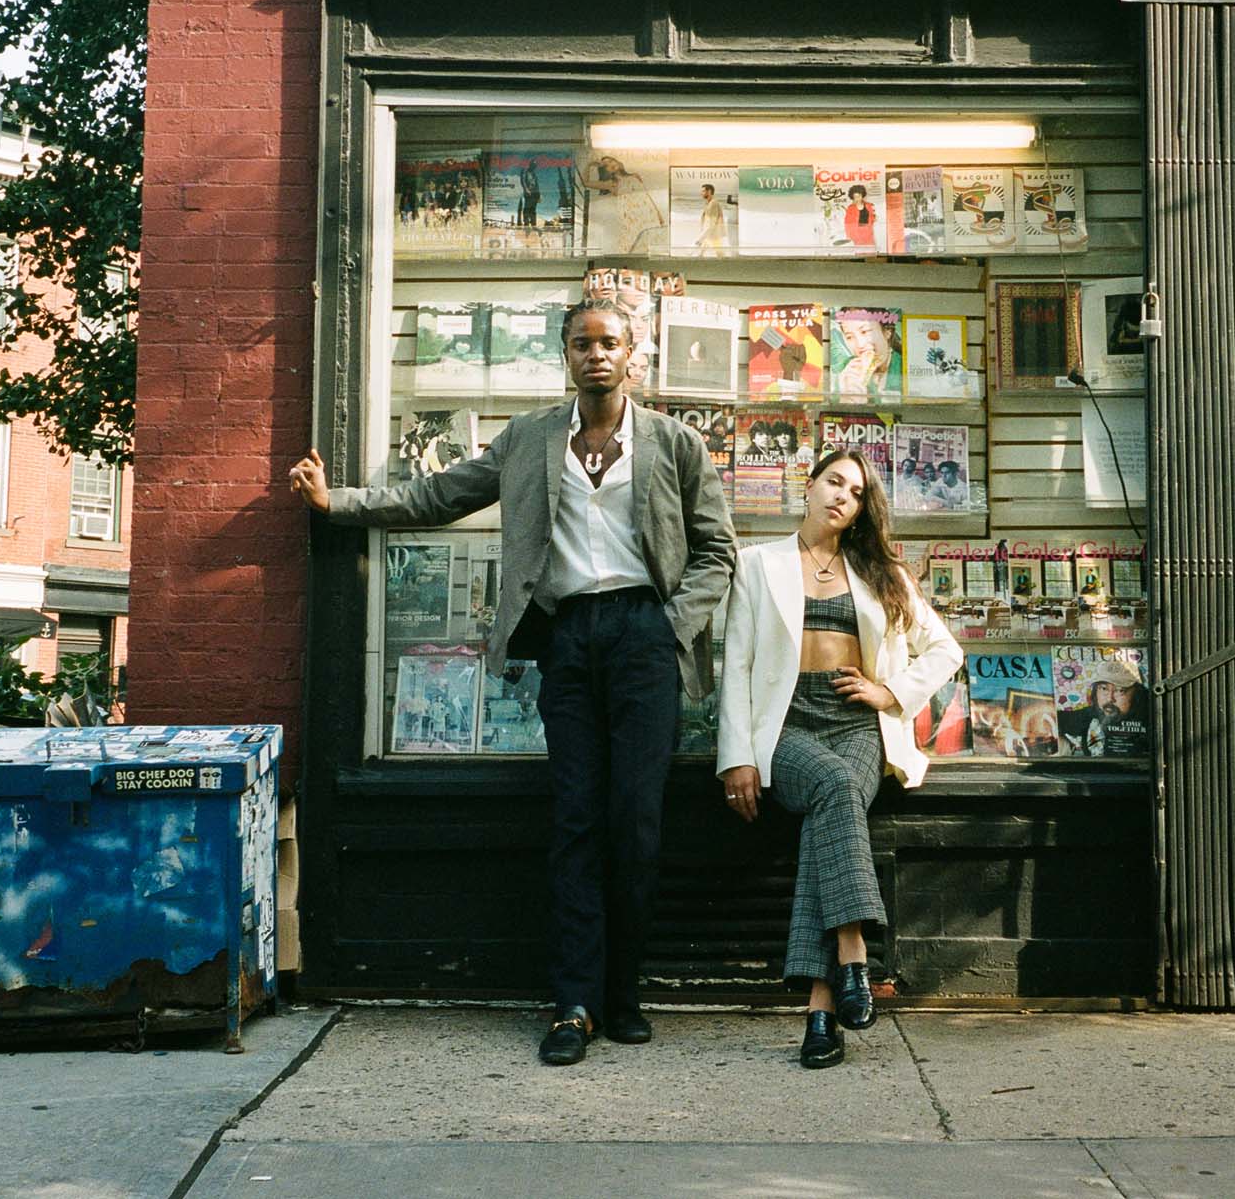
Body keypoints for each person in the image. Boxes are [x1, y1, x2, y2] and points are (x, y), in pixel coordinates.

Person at [289, 300, 736, 1066]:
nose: (596, 355)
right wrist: (340, 506)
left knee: (636, 822)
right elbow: (439, 495)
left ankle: (623, 992)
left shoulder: (674, 442)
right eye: (581, 344)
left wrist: (668, 628)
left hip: (643, 636)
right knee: (574, 822)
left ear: (635, 354)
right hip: (567, 638)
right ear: (564, 354)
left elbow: (717, 551)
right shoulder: (529, 439)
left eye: (610, 343)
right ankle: (573, 1003)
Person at [715, 449, 963, 1069]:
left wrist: (891, 693)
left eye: (854, 493)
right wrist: (736, 758)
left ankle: (820, 1013)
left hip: (857, 722)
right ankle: (854, 955)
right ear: (810, 484)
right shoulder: (758, 564)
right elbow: (737, 667)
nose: (841, 497)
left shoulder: (881, 571)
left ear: (859, 511)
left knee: (830, 811)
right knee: (832, 790)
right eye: (833, 482)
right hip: (787, 723)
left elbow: (944, 649)